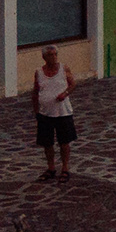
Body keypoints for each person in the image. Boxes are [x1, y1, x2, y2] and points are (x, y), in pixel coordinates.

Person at [33, 45, 77, 181]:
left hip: (63, 112)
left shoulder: (64, 69)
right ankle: (51, 167)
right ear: (44, 57)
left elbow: (72, 84)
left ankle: (65, 168)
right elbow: (35, 91)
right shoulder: (39, 72)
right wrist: (36, 111)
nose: (53, 57)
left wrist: (65, 93)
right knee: (47, 143)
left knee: (64, 142)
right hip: (45, 113)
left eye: (55, 54)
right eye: (50, 55)